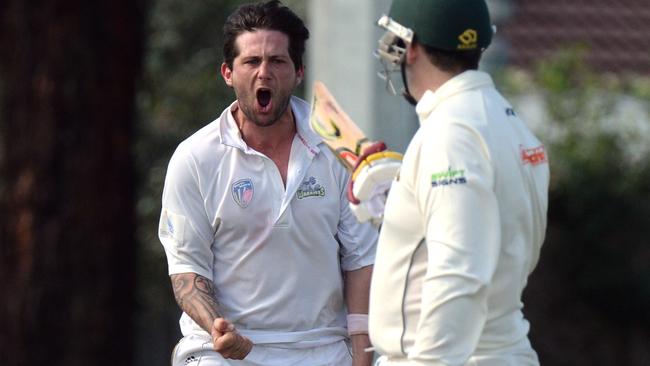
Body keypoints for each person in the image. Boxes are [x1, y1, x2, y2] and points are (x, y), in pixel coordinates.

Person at [158, 1, 377, 365]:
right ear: (228, 73)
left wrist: (363, 357)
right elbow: (187, 270)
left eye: (277, 61)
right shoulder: (195, 157)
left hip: (320, 349)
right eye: (251, 62)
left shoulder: (339, 150)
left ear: (298, 72)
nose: (264, 73)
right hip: (222, 353)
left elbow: (361, 260)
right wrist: (218, 328)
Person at [354, 0, 550, 365]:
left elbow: (458, 272)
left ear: (410, 48)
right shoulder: (510, 125)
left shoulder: (449, 134)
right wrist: (398, 209)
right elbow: (489, 241)